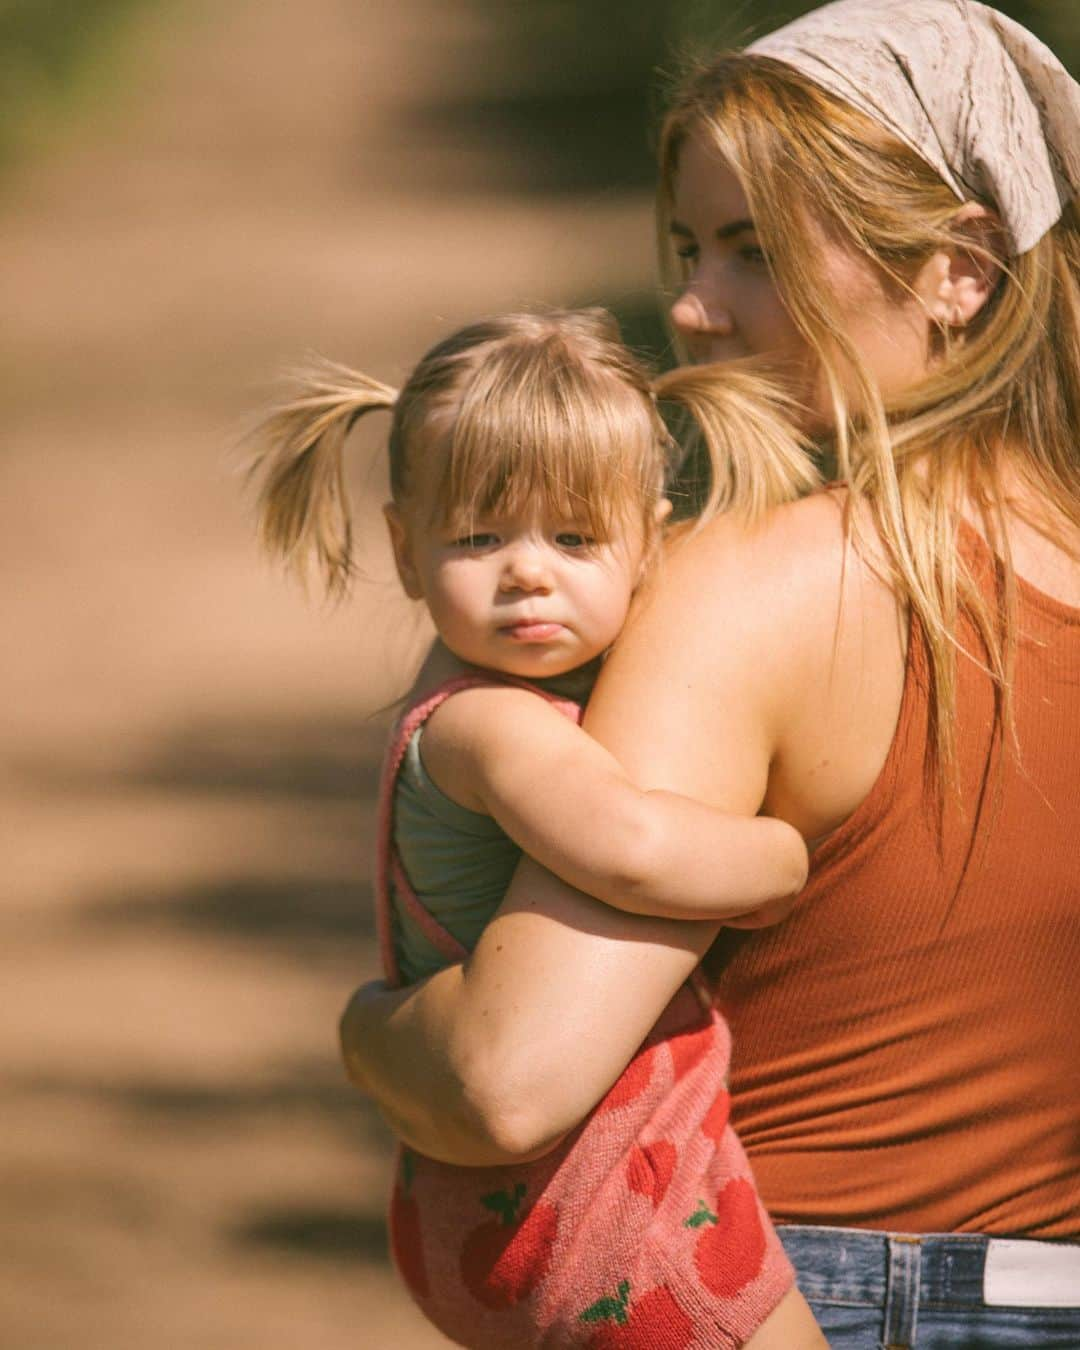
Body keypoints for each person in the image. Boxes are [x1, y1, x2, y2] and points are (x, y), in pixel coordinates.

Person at [340, 1, 1080, 1344]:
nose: (690, 303)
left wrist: (365, 1025)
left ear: (961, 266)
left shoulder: (750, 587)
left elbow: (509, 1077)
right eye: (688, 244)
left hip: (788, 1294)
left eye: (754, 249)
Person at [253, 309, 824, 1346]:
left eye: (573, 537)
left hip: (497, 1213)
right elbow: (634, 849)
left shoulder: (464, 687)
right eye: (479, 537)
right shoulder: (489, 725)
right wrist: (785, 856)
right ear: (403, 547)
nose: (527, 572)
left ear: (649, 541)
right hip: (597, 1215)